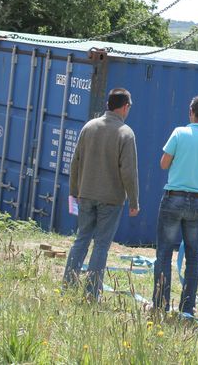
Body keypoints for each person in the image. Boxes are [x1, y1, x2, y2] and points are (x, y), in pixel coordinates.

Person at [153, 95, 198, 316]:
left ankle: (160, 305)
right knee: (194, 257)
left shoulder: (179, 133)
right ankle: (187, 308)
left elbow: (163, 163)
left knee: (164, 253)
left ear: (191, 112)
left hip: (173, 198)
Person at [63, 88, 139, 300]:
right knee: (101, 246)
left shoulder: (89, 127)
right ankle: (91, 293)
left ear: (108, 104)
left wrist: (74, 191)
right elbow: (128, 172)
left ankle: (68, 285)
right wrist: (134, 201)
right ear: (125, 107)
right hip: (111, 199)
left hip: (86, 194)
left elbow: (75, 162)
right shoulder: (126, 133)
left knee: (81, 239)